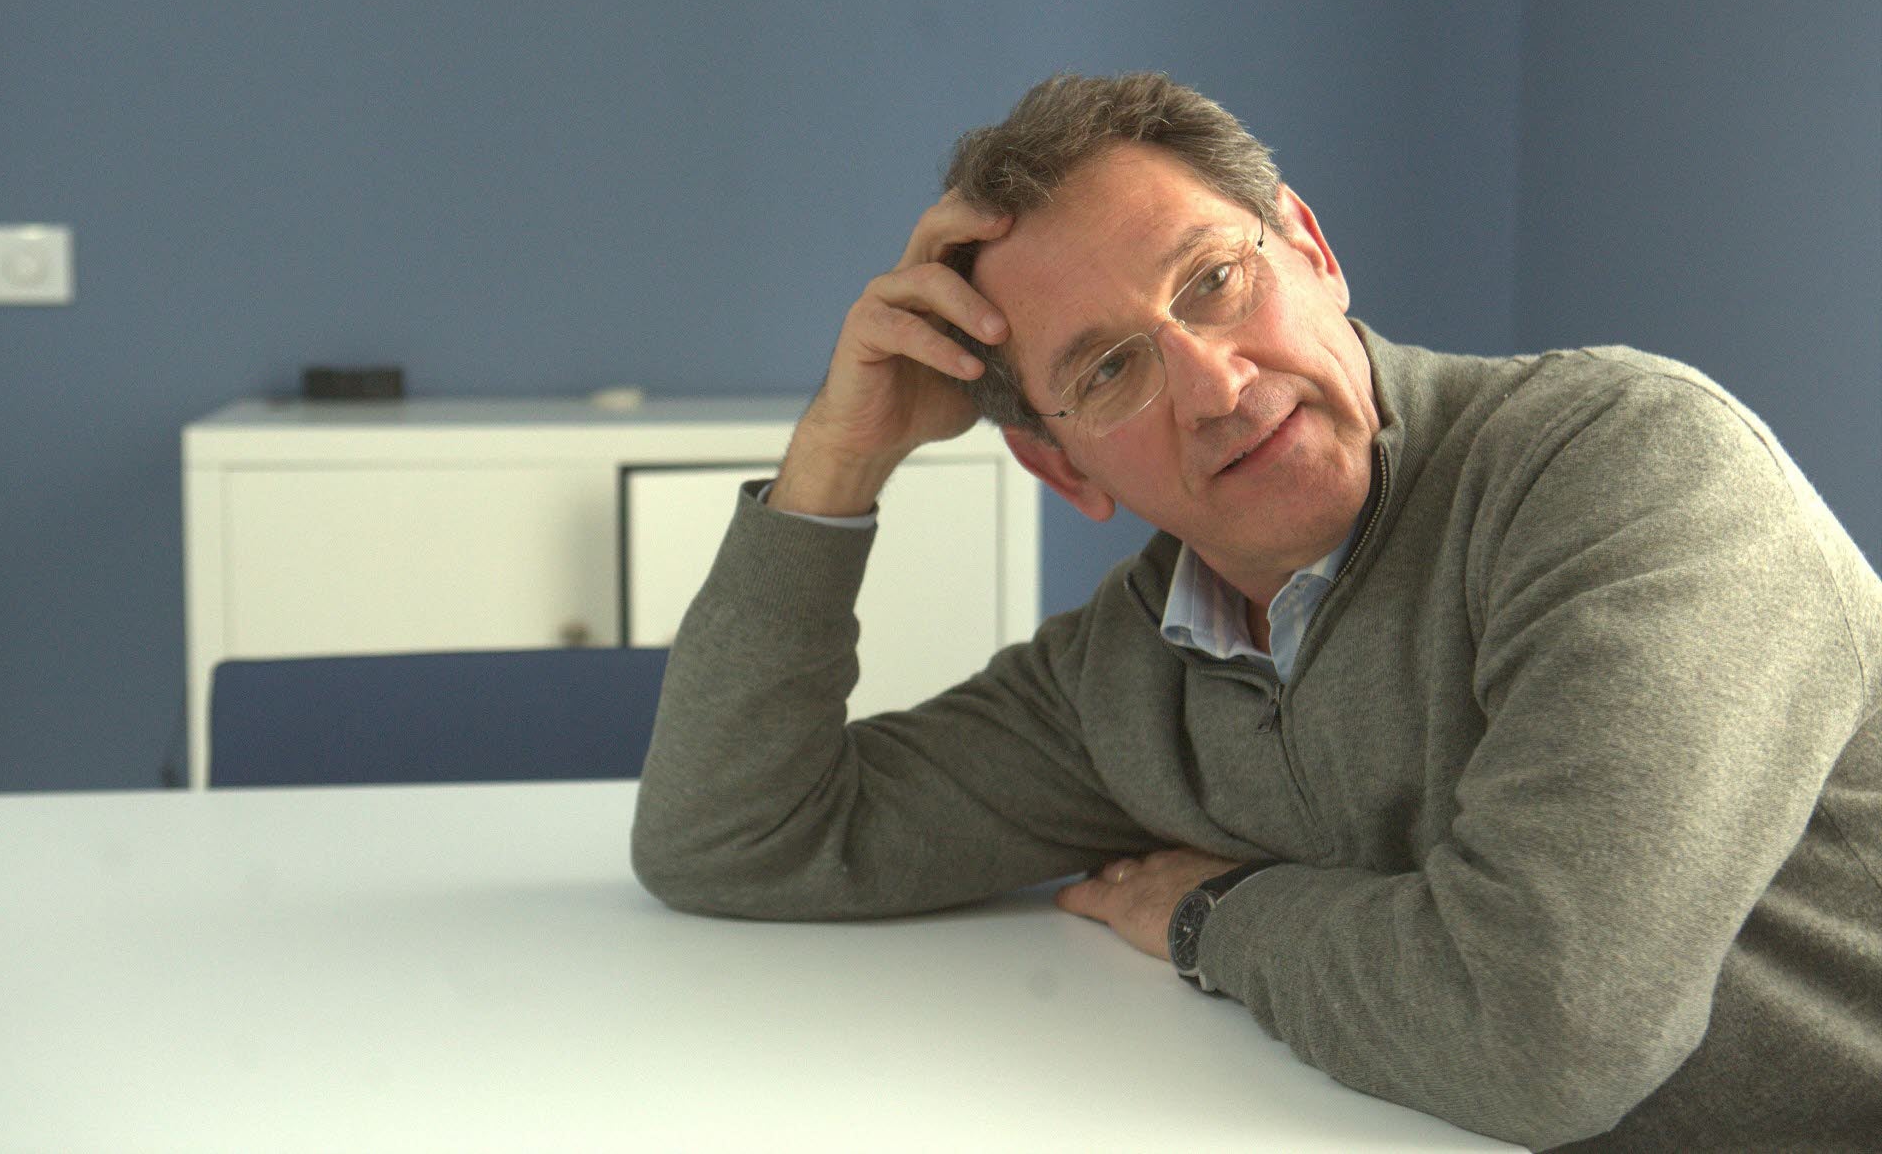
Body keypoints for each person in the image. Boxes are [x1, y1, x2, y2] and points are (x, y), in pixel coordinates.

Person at [630, 72, 1881, 1151]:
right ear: (1061, 468)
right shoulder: (1121, 678)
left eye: (1214, 280)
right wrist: (837, 458)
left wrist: (1215, 912)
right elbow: (737, 836)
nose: (1213, 383)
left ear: (1312, 251)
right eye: (1107, 369)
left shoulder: (1629, 465)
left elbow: (1547, 1029)